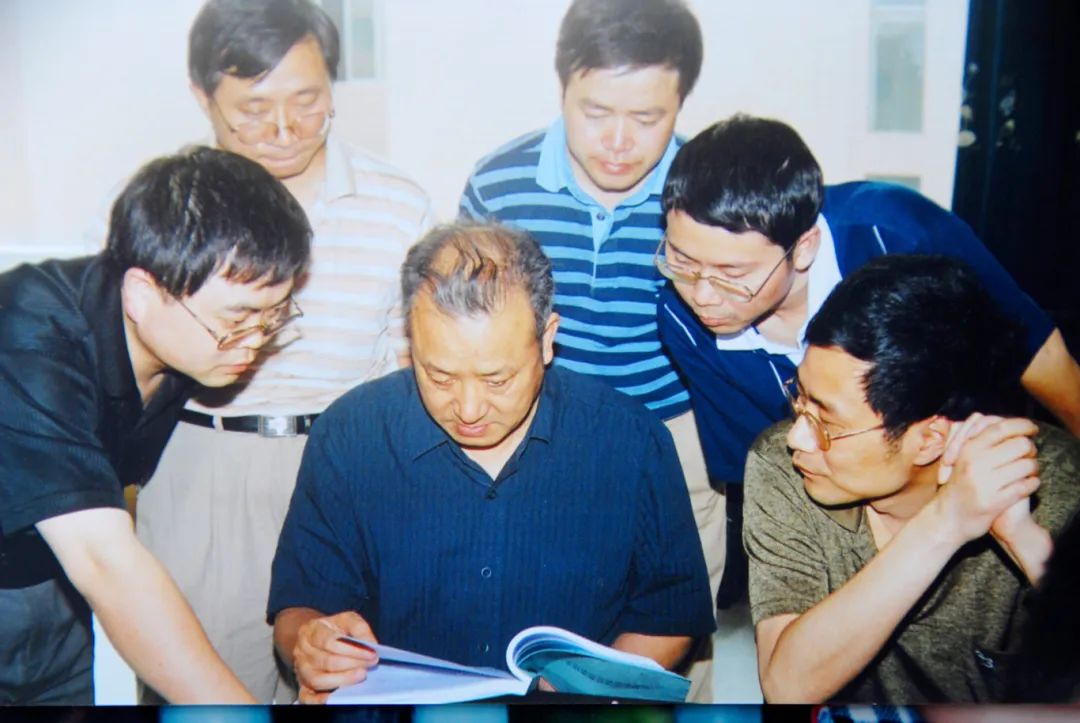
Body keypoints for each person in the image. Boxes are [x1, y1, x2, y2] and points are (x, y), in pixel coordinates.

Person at [267, 223, 715, 703]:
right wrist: (311, 644)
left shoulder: (631, 440)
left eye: (497, 380)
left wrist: (582, 695)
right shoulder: (350, 435)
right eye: (439, 376)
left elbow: (669, 616)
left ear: (547, 338)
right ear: (411, 340)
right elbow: (301, 607)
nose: (469, 409)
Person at [133, 0, 432, 703]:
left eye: (307, 101)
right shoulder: (164, 210)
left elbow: (408, 369)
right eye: (253, 108)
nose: (284, 130)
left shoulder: (398, 205)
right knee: (204, 694)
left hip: (343, 470)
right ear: (203, 96)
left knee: (346, 689)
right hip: (206, 467)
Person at [656, 114, 1080, 604]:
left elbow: (1039, 354)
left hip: (979, 471)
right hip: (848, 508)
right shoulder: (681, 318)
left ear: (804, 248)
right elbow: (768, 466)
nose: (702, 295)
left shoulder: (895, 232)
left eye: (732, 274)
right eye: (682, 260)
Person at [458, 0, 721, 698]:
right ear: (563, 87)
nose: (619, 142)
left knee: (667, 658)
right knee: (541, 642)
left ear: (681, 103)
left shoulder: (710, 189)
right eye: (596, 112)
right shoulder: (498, 184)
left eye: (648, 118)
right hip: (538, 440)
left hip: (676, 438)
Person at [0, 146, 311, 704]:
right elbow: (106, 563)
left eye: (274, 316)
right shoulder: (28, 337)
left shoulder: (182, 344)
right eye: (237, 320)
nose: (255, 342)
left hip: (47, 582)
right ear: (143, 294)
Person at [742, 254, 1080, 703]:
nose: (798, 437)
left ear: (931, 439)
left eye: (828, 423)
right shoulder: (783, 467)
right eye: (799, 398)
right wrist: (944, 523)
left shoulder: (1062, 485)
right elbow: (788, 688)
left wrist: (1026, 541)